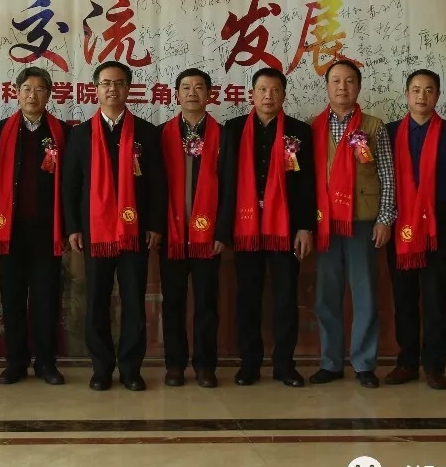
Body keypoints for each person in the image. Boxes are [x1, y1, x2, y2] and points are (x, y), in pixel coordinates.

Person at [62, 61, 165, 392]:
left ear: (128, 89)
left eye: (119, 83)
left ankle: (131, 369)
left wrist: (155, 224)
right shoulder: (80, 134)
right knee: (97, 300)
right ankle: (101, 368)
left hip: (136, 232)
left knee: (133, 300)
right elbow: (70, 185)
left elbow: (157, 184)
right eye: (106, 83)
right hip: (95, 233)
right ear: (96, 89)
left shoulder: (146, 132)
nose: (112, 89)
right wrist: (73, 227)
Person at [217, 67, 315, 387]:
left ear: (284, 94)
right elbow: (223, 181)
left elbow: (307, 183)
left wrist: (305, 227)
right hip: (245, 229)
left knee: (285, 299)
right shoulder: (232, 129)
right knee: (248, 297)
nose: (268, 96)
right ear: (252, 94)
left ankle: (284, 364)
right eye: (262, 89)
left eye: (275, 90)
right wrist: (223, 229)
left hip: (285, 229)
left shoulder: (299, 131)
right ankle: (249, 363)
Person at [309, 59, 395, 389]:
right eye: (336, 81)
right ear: (327, 87)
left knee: (365, 295)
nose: (342, 87)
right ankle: (330, 363)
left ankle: (363, 363)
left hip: (362, 222)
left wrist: (385, 218)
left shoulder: (373, 126)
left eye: (349, 81)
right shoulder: (312, 127)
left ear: (358, 87)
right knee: (326, 296)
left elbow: (387, 174)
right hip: (325, 225)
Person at [382, 70, 446, 391]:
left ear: (437, 96)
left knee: (435, 299)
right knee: (403, 298)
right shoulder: (390, 132)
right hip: (400, 221)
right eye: (416, 90)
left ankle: (434, 366)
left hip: (438, 221)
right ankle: (406, 363)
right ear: (406, 95)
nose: (422, 96)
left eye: (429, 90)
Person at [0, 66, 69, 386]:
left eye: (39, 89)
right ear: (17, 93)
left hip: (48, 231)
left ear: (49, 94)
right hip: (10, 231)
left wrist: (69, 228)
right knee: (12, 299)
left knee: (45, 299)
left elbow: (72, 186)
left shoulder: (63, 133)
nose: (32, 95)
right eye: (27, 89)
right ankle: (16, 362)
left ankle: (46, 363)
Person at [157, 68, 225, 388]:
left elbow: (231, 187)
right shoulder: (161, 134)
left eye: (199, 87)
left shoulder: (223, 135)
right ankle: (175, 365)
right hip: (171, 235)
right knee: (172, 302)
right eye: (185, 87)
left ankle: (205, 366)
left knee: (206, 303)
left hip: (207, 237)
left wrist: (222, 232)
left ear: (209, 94)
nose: (192, 93)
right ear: (176, 95)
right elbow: (151, 188)